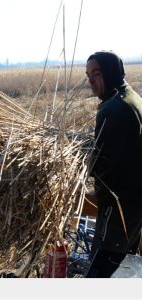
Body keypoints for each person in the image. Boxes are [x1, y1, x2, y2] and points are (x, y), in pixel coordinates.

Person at [85, 50, 142, 278]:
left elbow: (102, 164)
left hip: (119, 206)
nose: (90, 80)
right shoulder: (131, 97)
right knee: (122, 270)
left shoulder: (113, 109)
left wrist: (81, 163)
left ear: (111, 72)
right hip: (135, 203)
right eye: (88, 74)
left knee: (100, 272)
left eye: (96, 73)